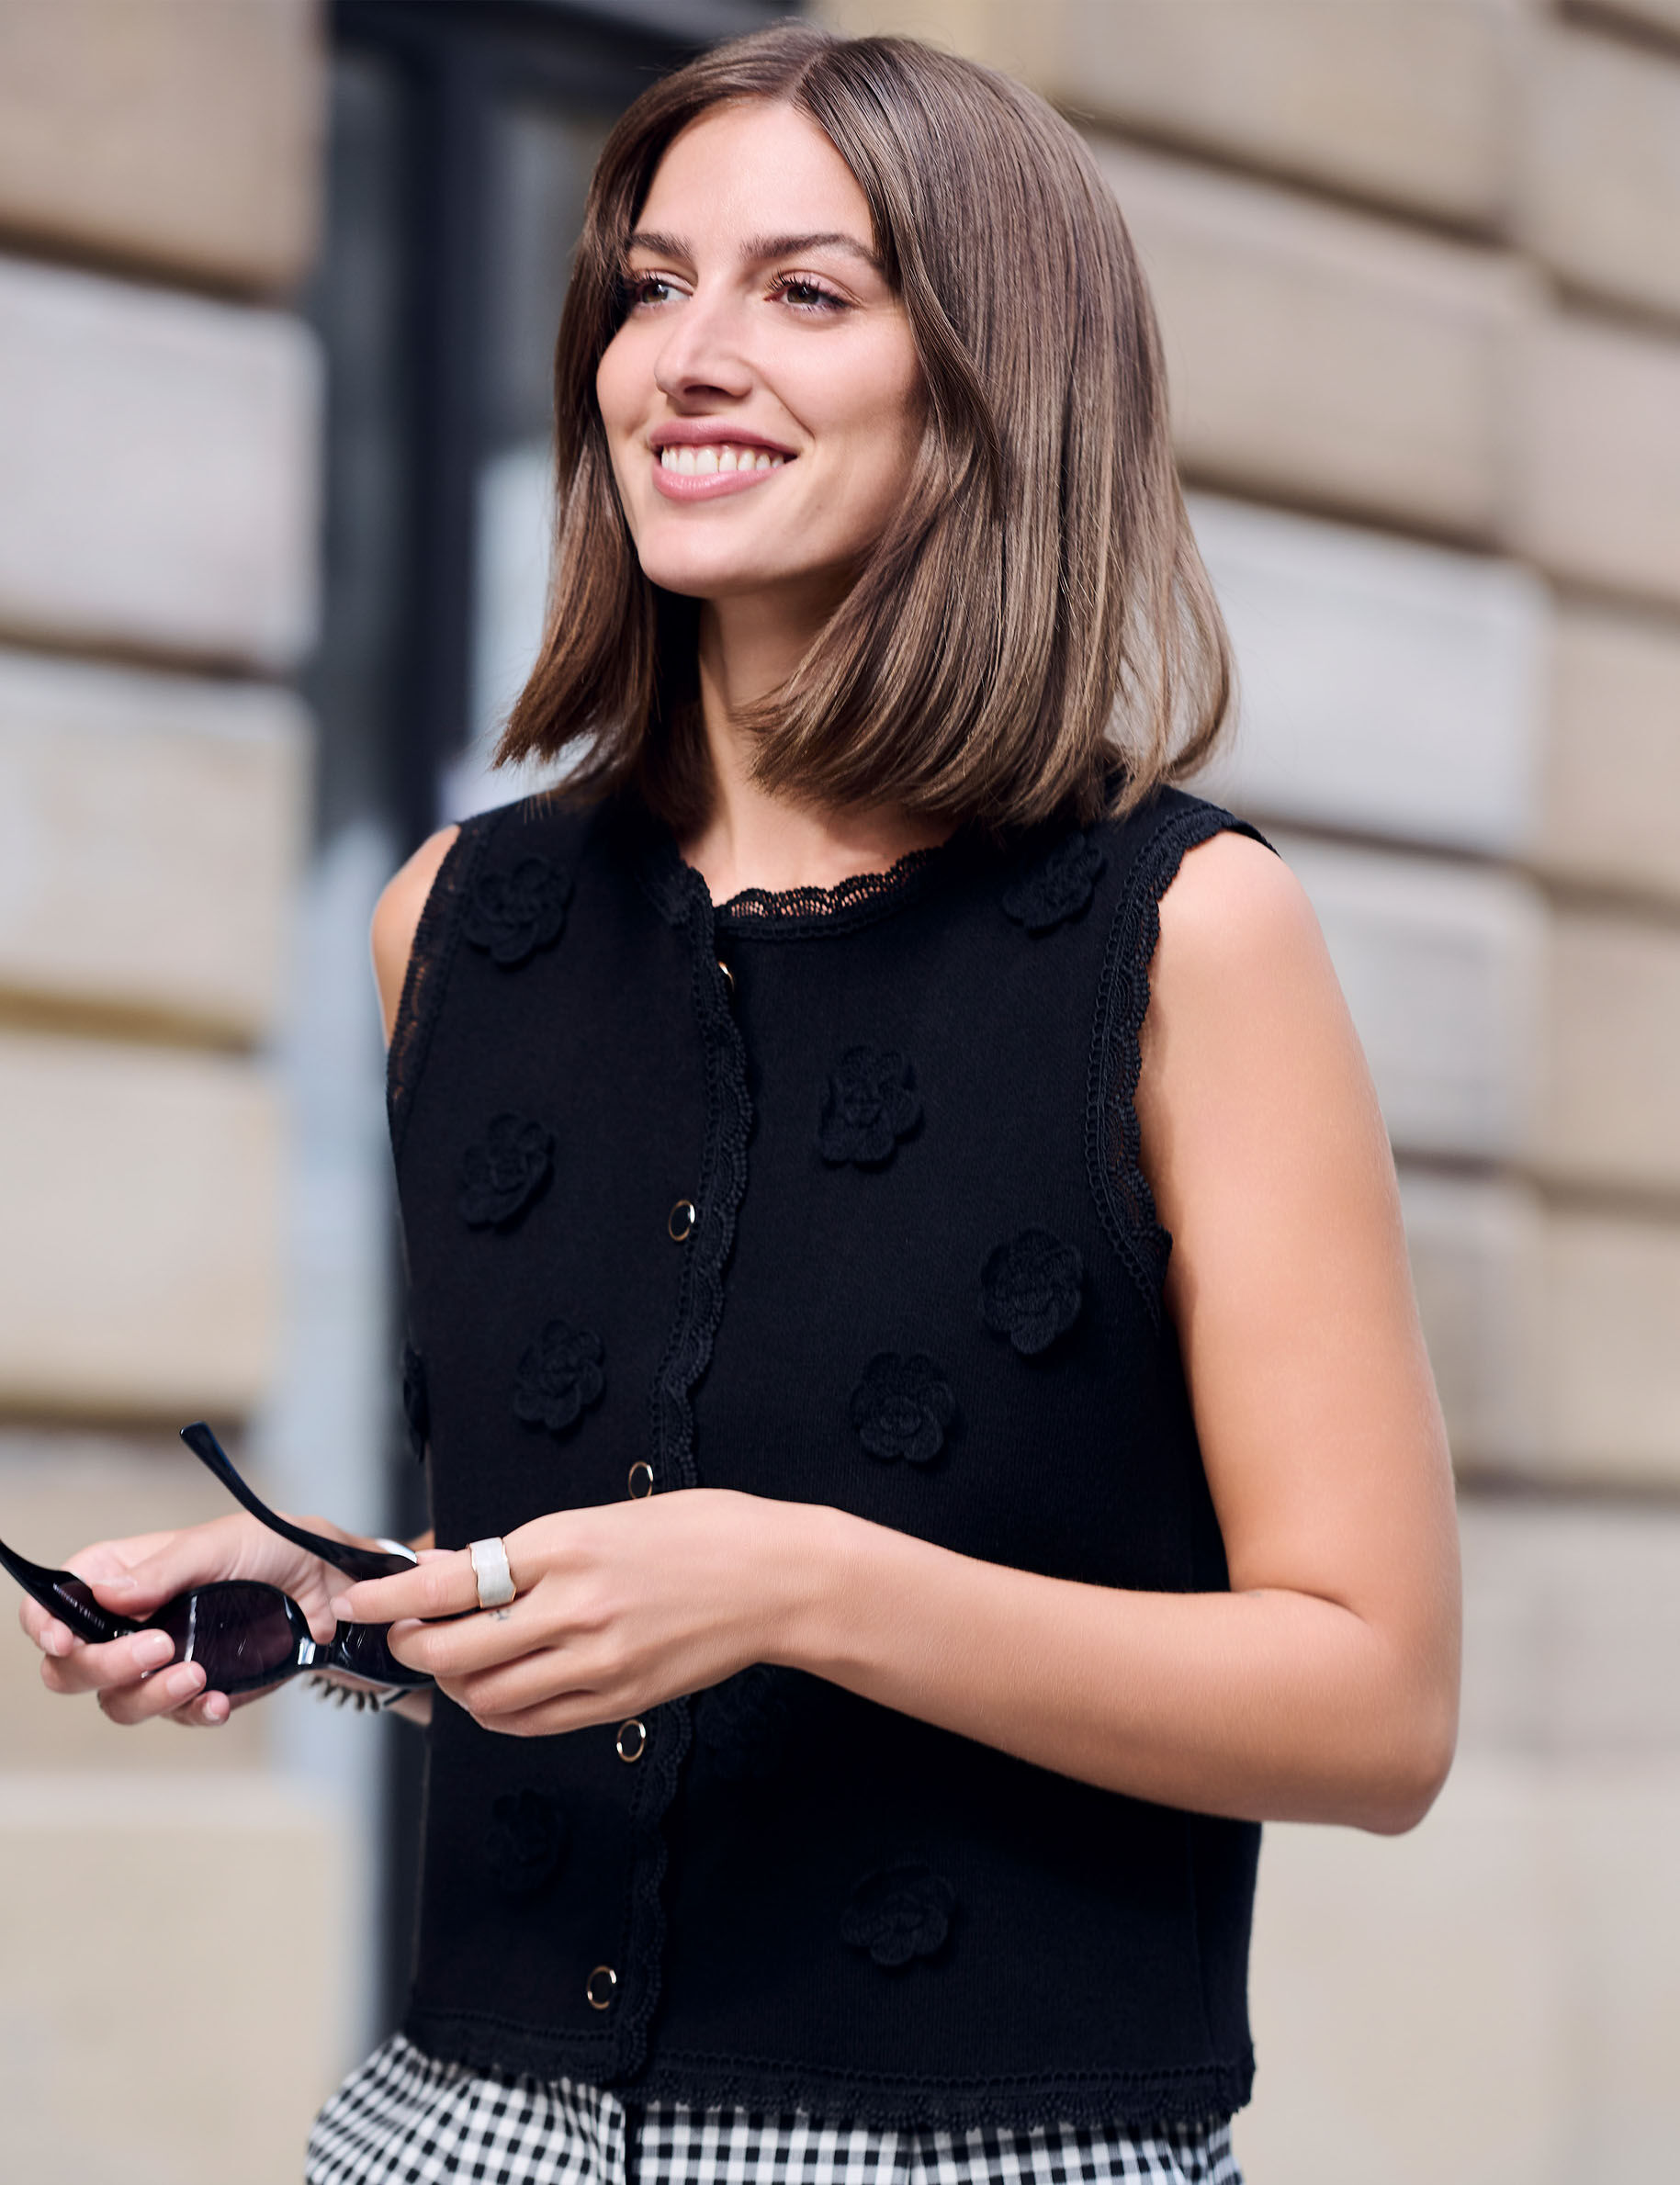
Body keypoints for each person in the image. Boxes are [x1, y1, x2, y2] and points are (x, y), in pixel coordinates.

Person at [16, 26, 1460, 2185]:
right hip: (457, 2135)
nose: (688, 355)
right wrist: (330, 1600)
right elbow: (620, 1586)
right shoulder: (455, 922)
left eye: (805, 289)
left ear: (990, 380)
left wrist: (801, 1581)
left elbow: (1376, 1705)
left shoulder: (1185, 931)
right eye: (650, 283)